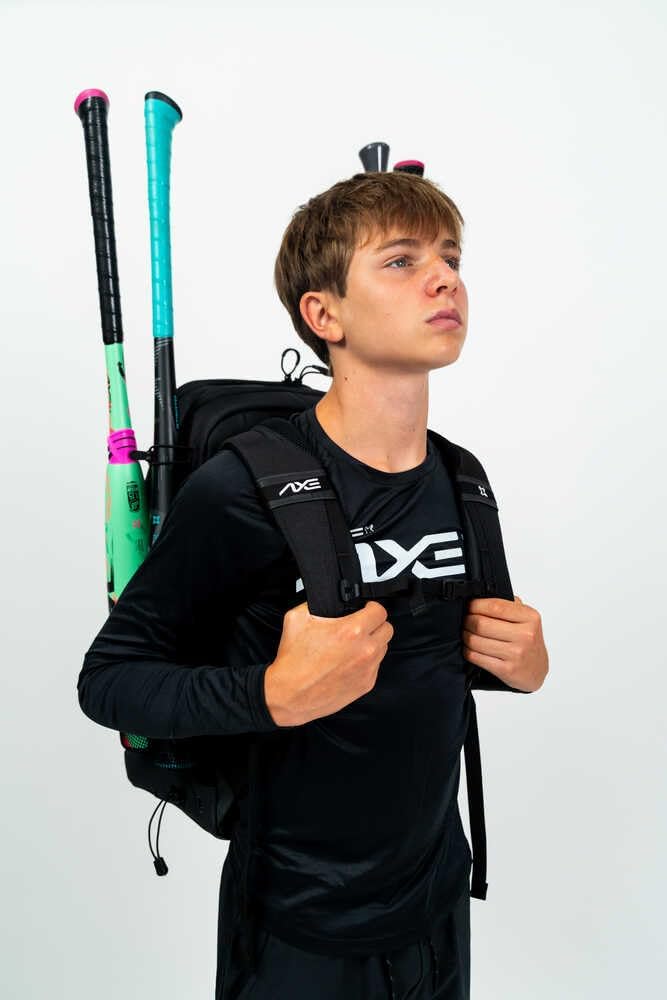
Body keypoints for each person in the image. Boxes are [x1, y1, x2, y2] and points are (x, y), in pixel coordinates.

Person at [78, 170, 549, 999]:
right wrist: (272, 693)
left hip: (437, 903)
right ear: (323, 315)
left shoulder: (463, 478)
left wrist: (524, 664)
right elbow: (109, 680)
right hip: (296, 927)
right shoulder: (243, 487)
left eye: (449, 257)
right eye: (400, 261)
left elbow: (448, 659)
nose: (444, 279)